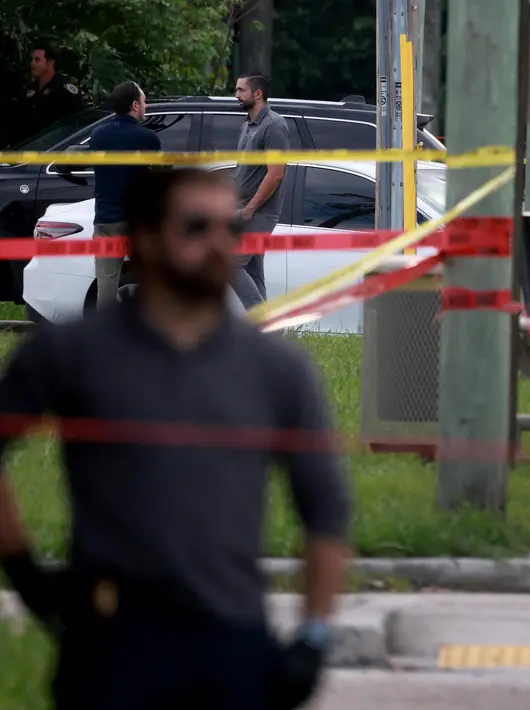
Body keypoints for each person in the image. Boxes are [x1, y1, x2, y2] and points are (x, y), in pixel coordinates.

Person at [0, 168, 351, 710]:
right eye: (195, 227)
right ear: (144, 239)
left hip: (233, 643)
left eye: (229, 231)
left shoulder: (278, 368)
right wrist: (26, 574)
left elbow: (325, 509)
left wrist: (314, 636)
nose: (218, 245)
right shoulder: (71, 354)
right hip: (111, 645)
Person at [89, 81, 161, 306]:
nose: (146, 104)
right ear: (134, 105)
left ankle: (107, 336)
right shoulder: (148, 139)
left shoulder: (98, 135)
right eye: (144, 100)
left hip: (106, 219)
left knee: (106, 287)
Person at [233, 73, 291, 309]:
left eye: (240, 90)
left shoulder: (274, 125)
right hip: (243, 209)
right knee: (253, 270)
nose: (236, 95)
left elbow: (275, 173)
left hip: (259, 212)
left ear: (258, 94)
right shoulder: (247, 124)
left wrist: (250, 209)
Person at [20, 45, 86, 143]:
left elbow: (78, 121)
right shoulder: (30, 88)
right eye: (32, 59)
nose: (32, 63)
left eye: (37, 60)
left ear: (50, 63)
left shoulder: (64, 90)